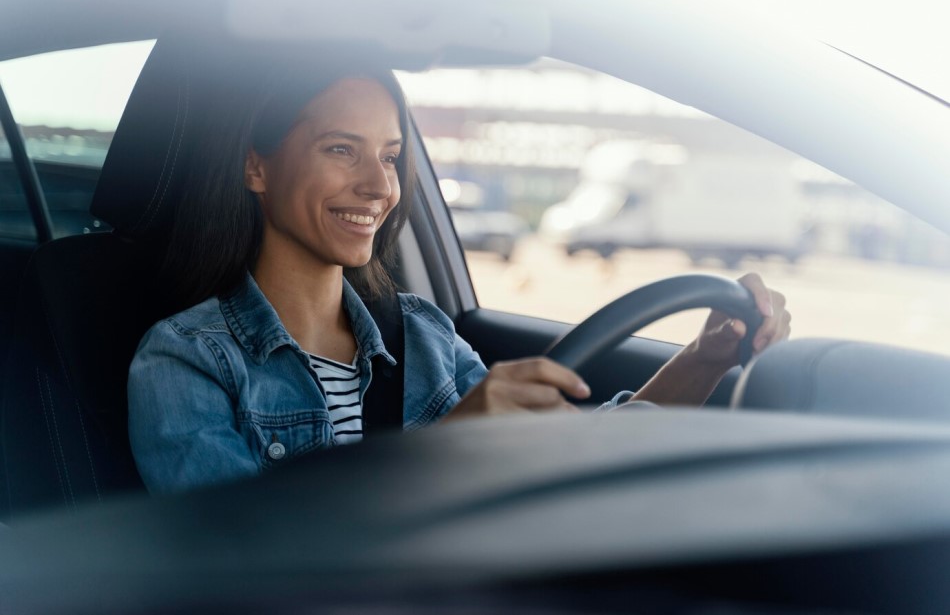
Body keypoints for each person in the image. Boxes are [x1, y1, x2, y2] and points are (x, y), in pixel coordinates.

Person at [128, 61, 791, 495]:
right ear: (256, 168)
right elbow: (236, 565)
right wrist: (444, 448)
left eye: (390, 156)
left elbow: (581, 457)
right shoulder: (186, 361)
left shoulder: (421, 331)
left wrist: (706, 359)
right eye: (340, 149)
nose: (378, 185)